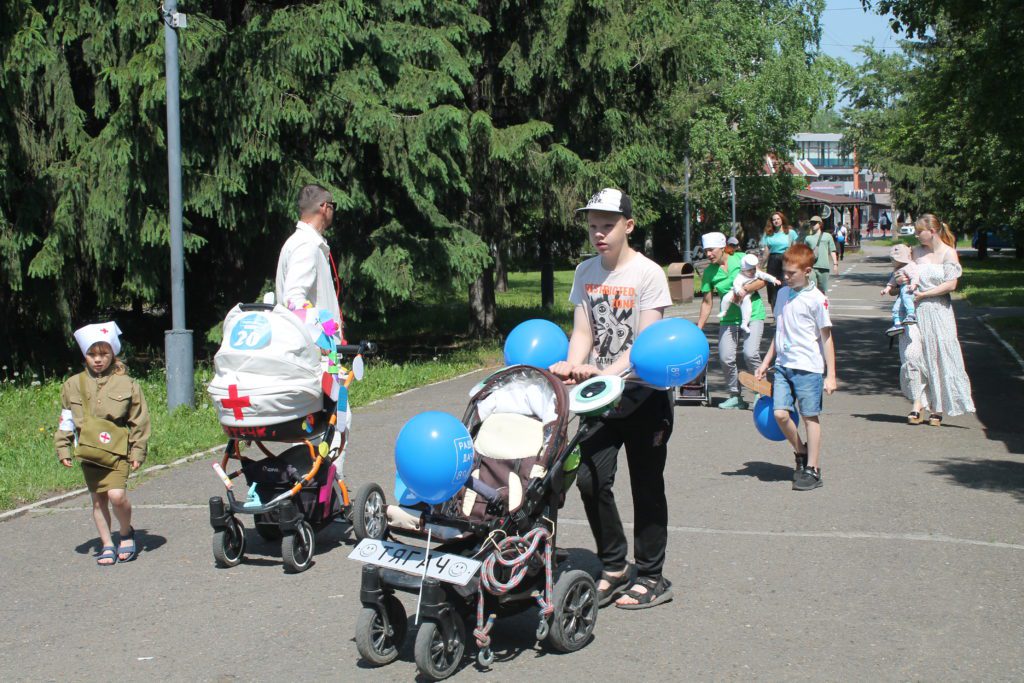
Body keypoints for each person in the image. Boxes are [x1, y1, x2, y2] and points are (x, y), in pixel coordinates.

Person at [548, 187, 675, 610]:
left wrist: (603, 373)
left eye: (607, 225)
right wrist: (571, 366)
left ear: (628, 225)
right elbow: (583, 333)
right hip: (601, 397)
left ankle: (653, 575)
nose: (599, 233)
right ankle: (616, 564)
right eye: (593, 226)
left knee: (646, 483)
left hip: (644, 395)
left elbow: (643, 344)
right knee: (589, 477)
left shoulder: (648, 274)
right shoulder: (586, 272)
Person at [55, 323, 151, 565]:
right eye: (92, 354)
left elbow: (139, 420)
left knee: (117, 496)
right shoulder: (72, 385)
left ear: (112, 354)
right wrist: (63, 447)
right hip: (89, 451)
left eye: (103, 354)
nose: (98, 360)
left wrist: (138, 449)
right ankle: (107, 543)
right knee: (98, 500)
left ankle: (126, 533)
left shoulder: (127, 383)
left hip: (118, 451)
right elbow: (66, 418)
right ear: (85, 355)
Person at [754, 244, 837, 491]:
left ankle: (812, 468)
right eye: (785, 272)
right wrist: (766, 362)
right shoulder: (782, 294)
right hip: (782, 365)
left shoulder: (817, 300)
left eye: (791, 273)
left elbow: (827, 338)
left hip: (808, 367)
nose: (786, 277)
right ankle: (800, 452)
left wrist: (831, 375)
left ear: (808, 271)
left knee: (809, 416)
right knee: (780, 413)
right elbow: (780, 332)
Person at [897, 214, 975, 426]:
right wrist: (900, 280)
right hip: (914, 311)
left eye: (919, 231)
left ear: (931, 231)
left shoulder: (948, 253)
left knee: (937, 356)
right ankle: (917, 403)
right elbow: (902, 273)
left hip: (939, 311)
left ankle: (937, 408)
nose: (916, 235)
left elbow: (951, 285)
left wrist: (926, 294)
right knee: (913, 356)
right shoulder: (915, 252)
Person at [697, 231, 768, 410]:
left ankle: (763, 393)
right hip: (729, 318)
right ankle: (735, 396)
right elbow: (706, 303)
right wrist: (698, 328)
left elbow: (762, 281)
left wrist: (745, 289)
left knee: (750, 353)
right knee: (725, 357)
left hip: (752, 314)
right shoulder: (709, 273)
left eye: (711, 250)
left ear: (722, 248)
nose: (708, 254)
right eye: (706, 251)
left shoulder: (741, 258)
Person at [275, 184, 342, 326]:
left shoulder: (301, 242)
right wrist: (322, 334)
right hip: (313, 346)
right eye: (333, 205)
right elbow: (293, 299)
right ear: (324, 207)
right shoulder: (306, 245)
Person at [717, 253, 779, 333]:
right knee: (726, 298)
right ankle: (724, 311)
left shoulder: (756, 273)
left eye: (754, 269)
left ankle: (744, 323)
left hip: (748, 294)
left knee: (747, 306)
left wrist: (774, 280)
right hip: (735, 292)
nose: (752, 272)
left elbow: (765, 275)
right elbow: (736, 284)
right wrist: (739, 291)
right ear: (743, 270)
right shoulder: (740, 276)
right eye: (749, 270)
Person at [759, 211, 797, 307]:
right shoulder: (768, 234)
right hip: (773, 261)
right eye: (774, 219)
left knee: (785, 286)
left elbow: (795, 249)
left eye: (778, 219)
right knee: (773, 287)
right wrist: (759, 267)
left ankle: (785, 313)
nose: (776, 221)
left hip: (786, 259)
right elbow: (766, 252)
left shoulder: (790, 233)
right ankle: (775, 316)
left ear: (782, 219)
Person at [880, 244, 919, 337]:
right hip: (901, 291)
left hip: (908, 288)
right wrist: (887, 289)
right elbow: (892, 281)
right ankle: (897, 324)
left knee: (907, 299)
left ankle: (911, 314)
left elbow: (914, 276)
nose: (892, 262)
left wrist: (913, 284)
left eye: (893, 260)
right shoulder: (896, 270)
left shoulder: (909, 266)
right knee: (896, 308)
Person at [804, 216, 839, 294]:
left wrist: (835, 264)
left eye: (814, 223)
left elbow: (832, 250)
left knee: (822, 291)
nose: (812, 225)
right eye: (811, 223)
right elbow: (804, 253)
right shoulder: (808, 238)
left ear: (820, 224)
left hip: (824, 267)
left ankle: (822, 305)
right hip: (811, 267)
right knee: (811, 289)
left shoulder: (827, 236)